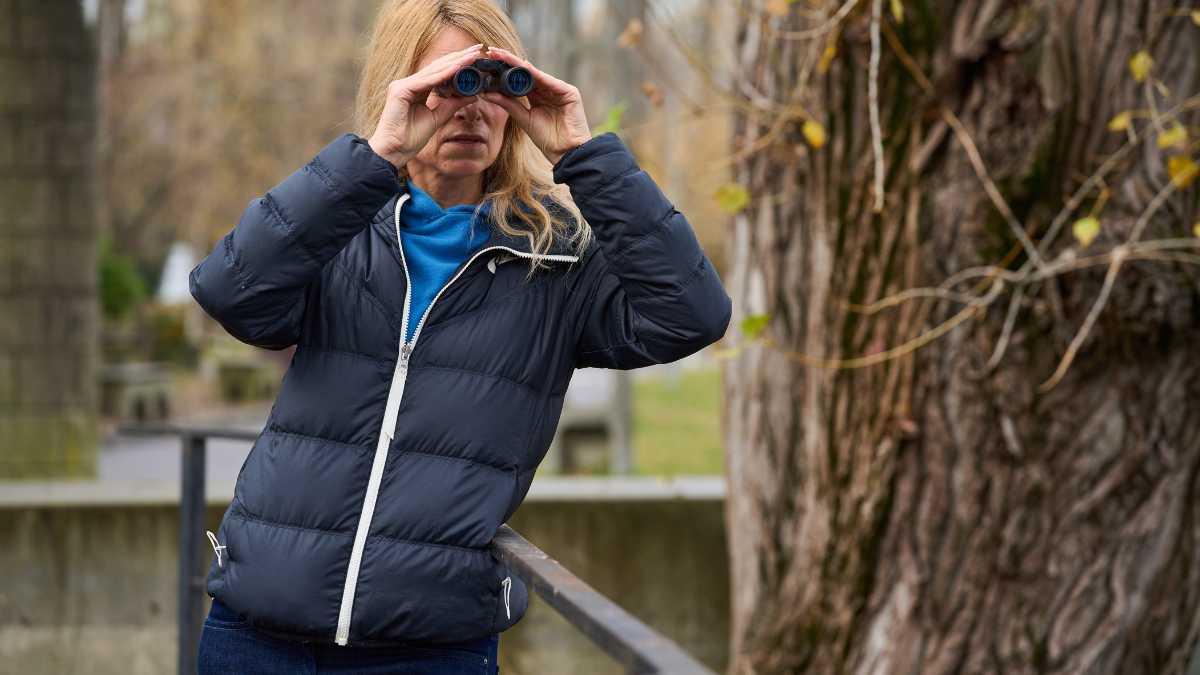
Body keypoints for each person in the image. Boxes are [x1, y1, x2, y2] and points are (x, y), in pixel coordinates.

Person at [189, 0, 732, 672]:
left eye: (491, 84)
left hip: (431, 648)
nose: (468, 108)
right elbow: (228, 289)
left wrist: (580, 153)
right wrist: (374, 156)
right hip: (257, 634)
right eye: (444, 84)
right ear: (397, 91)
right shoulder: (339, 231)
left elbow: (693, 312)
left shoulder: (556, 262)